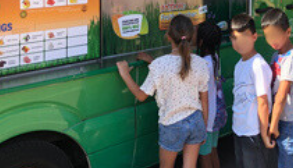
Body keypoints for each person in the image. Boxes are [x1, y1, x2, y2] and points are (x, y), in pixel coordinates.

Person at [116, 14, 209, 168]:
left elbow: (141, 96)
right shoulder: (201, 63)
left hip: (172, 124)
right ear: (191, 36)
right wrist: (204, 128)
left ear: (168, 36)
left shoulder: (159, 65)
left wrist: (125, 74)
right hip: (196, 121)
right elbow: (204, 99)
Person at [260, 9, 293, 168]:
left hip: (291, 123)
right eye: (268, 36)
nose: (272, 40)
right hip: (281, 119)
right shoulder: (277, 56)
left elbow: (281, 96)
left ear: (288, 32)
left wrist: (272, 125)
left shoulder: (292, 58)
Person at [230, 14, 276, 168]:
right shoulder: (238, 65)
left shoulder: (258, 65)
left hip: (254, 132)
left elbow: (263, 102)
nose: (238, 43)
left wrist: (264, 133)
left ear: (254, 37)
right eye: (234, 38)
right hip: (239, 130)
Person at [196, 21, 225, 168]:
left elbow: (203, 97)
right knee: (213, 150)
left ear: (201, 41)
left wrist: (204, 123)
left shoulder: (203, 63)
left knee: (204, 155)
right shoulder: (214, 58)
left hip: (208, 118)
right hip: (217, 114)